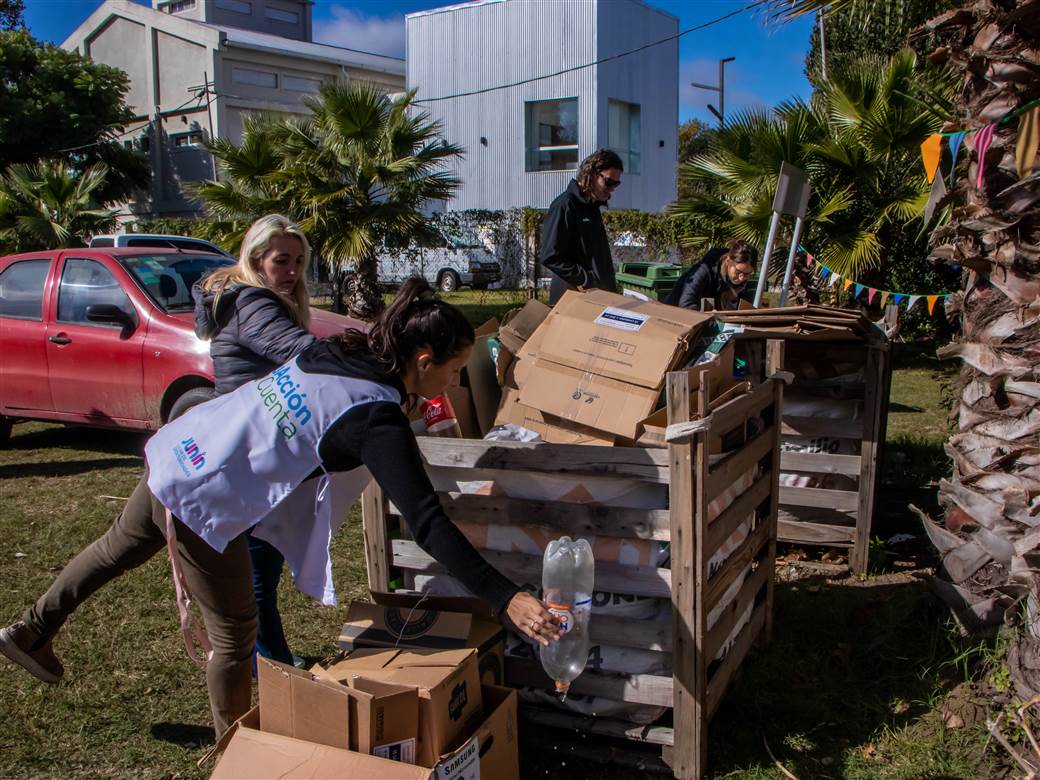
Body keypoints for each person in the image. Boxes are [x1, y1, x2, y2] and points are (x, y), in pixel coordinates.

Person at [0, 277, 560, 739]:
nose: (455, 381)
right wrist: (505, 597)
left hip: (181, 448)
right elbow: (429, 523)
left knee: (114, 548)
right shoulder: (377, 418)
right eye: (454, 369)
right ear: (421, 360)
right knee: (237, 631)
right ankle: (232, 751)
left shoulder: (338, 351)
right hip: (205, 496)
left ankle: (29, 629)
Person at [193, 214, 316, 669]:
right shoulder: (255, 304)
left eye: (299, 261)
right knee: (259, 567)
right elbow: (300, 351)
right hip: (253, 452)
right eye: (281, 260)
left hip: (251, 446)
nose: (292, 271)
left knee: (257, 564)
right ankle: (273, 662)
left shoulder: (248, 300)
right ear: (256, 259)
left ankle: (264, 655)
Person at [540, 148, 623, 305]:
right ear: (591, 174)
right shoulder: (564, 205)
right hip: (573, 300)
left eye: (616, 184)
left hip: (598, 298)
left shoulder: (592, 207)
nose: (612, 188)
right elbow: (550, 255)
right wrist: (586, 279)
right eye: (609, 182)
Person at [663, 240, 759, 311]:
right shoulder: (704, 270)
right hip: (674, 315)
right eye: (738, 272)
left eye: (747, 274)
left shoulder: (741, 278)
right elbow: (686, 304)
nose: (742, 278)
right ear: (728, 260)